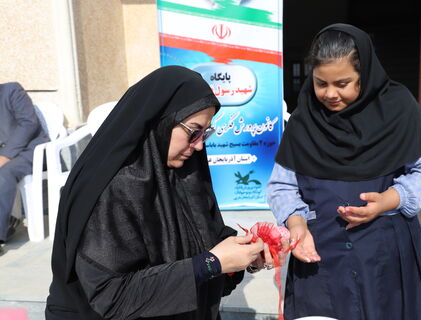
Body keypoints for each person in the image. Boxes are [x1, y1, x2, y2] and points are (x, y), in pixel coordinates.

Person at [46, 66, 276, 320]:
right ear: (159, 121)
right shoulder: (110, 190)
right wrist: (212, 263)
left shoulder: (184, 173)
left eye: (205, 133)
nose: (199, 145)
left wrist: (248, 253)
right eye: (193, 131)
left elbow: (207, 245)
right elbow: (113, 296)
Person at [267, 24, 421, 320]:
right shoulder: (305, 118)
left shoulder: (397, 107)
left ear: (364, 74)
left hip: (386, 255)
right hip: (320, 257)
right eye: (320, 83)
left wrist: (392, 198)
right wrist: (296, 223)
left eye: (343, 83)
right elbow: (281, 185)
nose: (330, 94)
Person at [0, 82, 49, 254]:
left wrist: (5, 155)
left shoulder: (11, 90)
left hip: (31, 151)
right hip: (7, 154)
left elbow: (28, 123)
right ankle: (9, 222)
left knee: (3, 174)